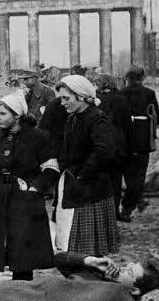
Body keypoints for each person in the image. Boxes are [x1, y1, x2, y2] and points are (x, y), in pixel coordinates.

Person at [0, 92, 59, 285]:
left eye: (2, 114)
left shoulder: (38, 136)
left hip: (24, 201)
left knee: (22, 256)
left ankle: (22, 296)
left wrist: (34, 189)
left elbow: (51, 168)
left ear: (17, 115)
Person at [51, 75, 119, 257]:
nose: (63, 103)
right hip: (75, 187)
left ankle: (91, 280)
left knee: (89, 249)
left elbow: (104, 151)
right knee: (74, 245)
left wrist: (81, 174)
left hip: (90, 190)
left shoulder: (96, 118)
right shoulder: (74, 117)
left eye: (67, 98)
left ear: (81, 97)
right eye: (61, 99)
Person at [120, 66, 159, 222]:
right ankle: (128, 208)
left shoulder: (122, 93)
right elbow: (158, 118)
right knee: (139, 174)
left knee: (128, 173)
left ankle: (136, 201)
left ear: (128, 78)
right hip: (143, 139)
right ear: (142, 78)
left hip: (125, 138)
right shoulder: (150, 93)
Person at [94, 74, 133, 215]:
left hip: (101, 144)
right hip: (119, 145)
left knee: (100, 179)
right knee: (116, 180)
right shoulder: (122, 100)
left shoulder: (96, 101)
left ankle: (102, 212)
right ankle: (115, 210)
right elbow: (128, 126)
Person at [54, 251, 159, 295]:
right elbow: (58, 259)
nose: (121, 268)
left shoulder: (116, 299)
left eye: (129, 272)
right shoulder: (96, 273)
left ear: (133, 290)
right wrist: (90, 261)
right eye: (126, 266)